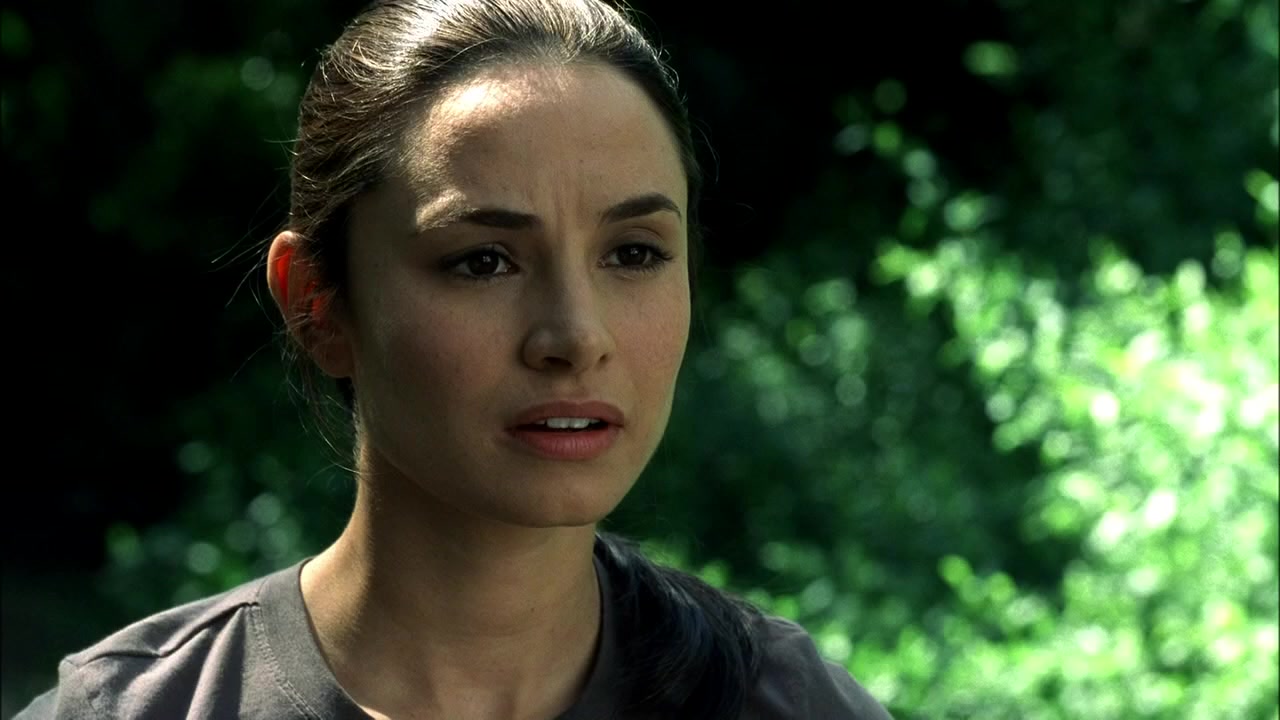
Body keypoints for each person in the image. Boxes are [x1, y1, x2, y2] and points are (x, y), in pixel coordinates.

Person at [15, 1, 895, 718]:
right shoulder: (139, 711)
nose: (575, 336)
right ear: (317, 302)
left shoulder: (783, 703)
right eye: (483, 261)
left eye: (633, 253)